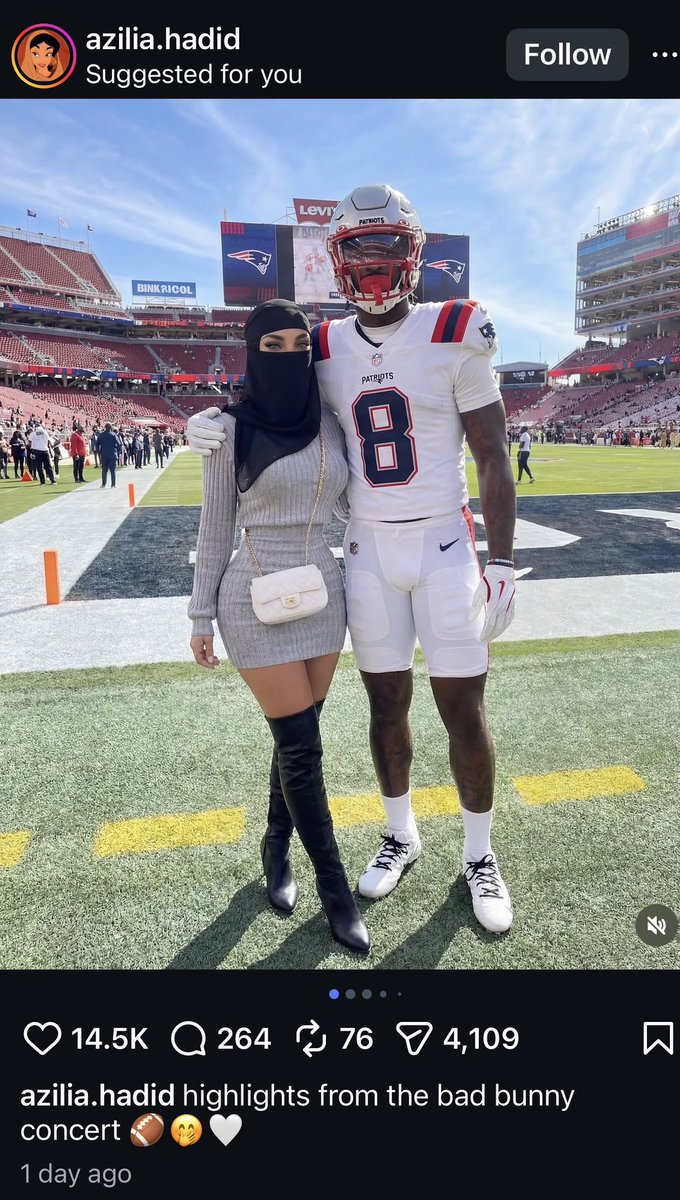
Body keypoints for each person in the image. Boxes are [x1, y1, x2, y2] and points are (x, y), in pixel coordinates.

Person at [187, 185, 517, 935]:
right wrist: (205, 417)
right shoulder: (324, 343)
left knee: (462, 707)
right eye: (358, 249)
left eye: (385, 247)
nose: (373, 265)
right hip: (364, 547)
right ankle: (401, 833)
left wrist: (501, 558)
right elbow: (267, 401)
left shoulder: (457, 326)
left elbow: (493, 454)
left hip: (443, 543)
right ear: (336, 261)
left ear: (414, 251)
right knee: (383, 705)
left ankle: (479, 853)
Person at [188, 299, 370, 955]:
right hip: (251, 598)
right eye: (274, 344)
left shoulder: (329, 423)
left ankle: (274, 845)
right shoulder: (224, 431)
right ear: (251, 351)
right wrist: (199, 613)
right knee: (301, 749)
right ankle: (336, 893)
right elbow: (213, 532)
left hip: (325, 594)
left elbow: (354, 504)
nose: (290, 353)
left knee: (298, 738)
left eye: (301, 343)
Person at [97, 422, 120, 488]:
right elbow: (119, 444)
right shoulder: (114, 435)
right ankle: (113, 484)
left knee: (104, 470)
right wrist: (117, 452)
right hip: (113, 454)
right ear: (111, 428)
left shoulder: (101, 435)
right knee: (113, 471)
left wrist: (99, 452)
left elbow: (97, 444)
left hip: (104, 454)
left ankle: (103, 484)